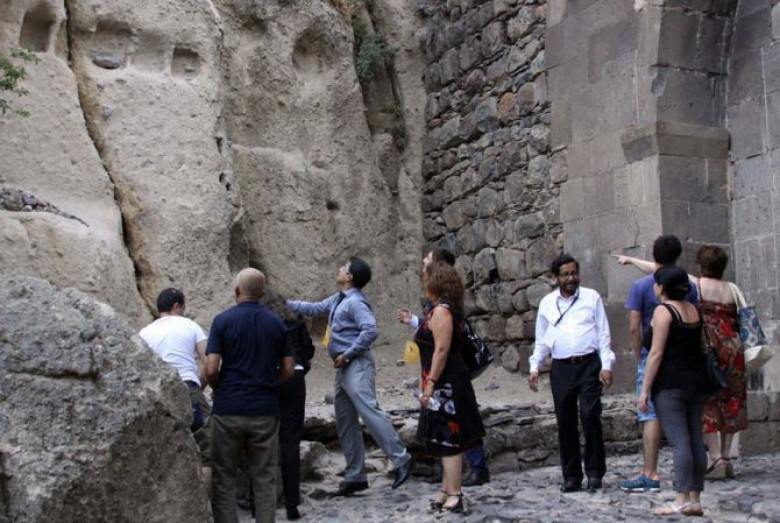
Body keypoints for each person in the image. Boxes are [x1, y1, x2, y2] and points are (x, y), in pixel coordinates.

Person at [287, 257, 414, 496]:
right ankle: (356, 475)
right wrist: (282, 303)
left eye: (343, 267)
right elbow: (314, 308)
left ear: (350, 277)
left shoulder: (356, 302)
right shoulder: (339, 299)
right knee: (345, 420)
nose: (339, 268)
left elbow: (370, 330)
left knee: (369, 411)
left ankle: (401, 459)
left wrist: (348, 354)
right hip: (344, 367)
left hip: (355, 364)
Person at [617, 245, 746, 479]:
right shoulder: (732, 288)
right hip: (733, 347)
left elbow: (660, 270)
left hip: (710, 348)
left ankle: (715, 455)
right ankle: (726, 455)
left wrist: (632, 260)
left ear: (701, 265)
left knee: (707, 403)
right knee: (731, 399)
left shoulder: (697, 284)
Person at [396, 246, 490, 487]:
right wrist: (414, 321)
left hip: (447, 376)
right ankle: (447, 475)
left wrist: (431, 382)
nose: (422, 261)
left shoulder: (444, 305)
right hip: (439, 374)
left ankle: (473, 472)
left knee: (460, 422)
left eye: (427, 258)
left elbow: (442, 344)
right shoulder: (442, 301)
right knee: (443, 424)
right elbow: (433, 328)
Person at [206, 268, 294, 523]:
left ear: (237, 291)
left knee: (224, 477)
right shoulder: (276, 322)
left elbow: (211, 368)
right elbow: (289, 368)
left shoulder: (222, 321)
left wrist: (220, 388)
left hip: (228, 409)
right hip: (265, 410)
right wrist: (270, 384)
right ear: (262, 293)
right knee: (265, 478)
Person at [613, 236, 698, 493]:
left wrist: (639, 352)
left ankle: (650, 471)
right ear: (678, 255)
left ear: (654, 254)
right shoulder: (688, 286)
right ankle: (691, 482)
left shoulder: (641, 286)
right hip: (684, 360)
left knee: (650, 413)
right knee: (687, 421)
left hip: (653, 354)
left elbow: (634, 326)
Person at [528, 254, 615, 492]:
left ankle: (595, 472)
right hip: (562, 368)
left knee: (590, 415)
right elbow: (542, 338)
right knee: (565, 421)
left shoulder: (591, 297)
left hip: (589, 365)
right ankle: (572, 476)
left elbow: (603, 333)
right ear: (556, 278)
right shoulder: (547, 303)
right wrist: (535, 366)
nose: (571, 278)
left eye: (574, 273)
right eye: (565, 274)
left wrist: (606, 365)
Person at [415, 261, 486, 514]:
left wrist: (431, 383)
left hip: (448, 384)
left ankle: (455, 493)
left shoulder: (442, 312)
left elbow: (442, 350)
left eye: (425, 277)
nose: (423, 282)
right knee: (442, 438)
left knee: (450, 439)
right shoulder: (441, 310)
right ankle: (445, 490)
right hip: (444, 382)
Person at [638, 266, 707, 516]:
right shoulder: (693, 310)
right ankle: (695, 498)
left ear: (661, 287)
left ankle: (681, 498)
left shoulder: (663, 311)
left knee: (679, 442)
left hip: (670, 383)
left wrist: (645, 390)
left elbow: (656, 353)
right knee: (696, 439)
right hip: (695, 381)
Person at [139, 288, 212, 490]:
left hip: (159, 393)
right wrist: (199, 387)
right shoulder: (190, 325)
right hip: (188, 387)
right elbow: (210, 364)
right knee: (208, 450)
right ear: (177, 307)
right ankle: (203, 503)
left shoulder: (144, 332)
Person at [262, 291, 315, 521]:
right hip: (295, 378)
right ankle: (292, 503)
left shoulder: (263, 322)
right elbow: (308, 350)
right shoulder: (295, 320)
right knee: (291, 442)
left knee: (262, 440)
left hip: (269, 378)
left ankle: (259, 502)